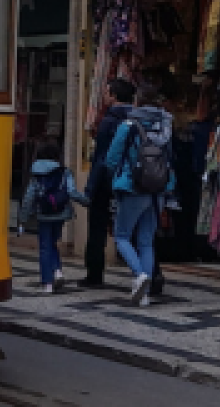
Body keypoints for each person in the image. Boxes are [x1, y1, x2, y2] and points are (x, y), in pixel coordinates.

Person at [105, 81, 174, 306]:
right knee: (146, 240)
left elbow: (112, 158)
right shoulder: (166, 124)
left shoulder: (128, 125)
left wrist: (115, 173)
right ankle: (144, 294)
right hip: (159, 189)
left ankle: (139, 275)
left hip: (132, 186)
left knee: (122, 235)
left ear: (137, 101)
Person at [79, 78, 136, 288]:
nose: (104, 95)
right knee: (136, 228)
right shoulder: (139, 118)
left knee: (97, 227)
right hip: (132, 179)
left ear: (114, 96)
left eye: (106, 92)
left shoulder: (110, 120)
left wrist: (91, 187)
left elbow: (101, 157)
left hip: (107, 180)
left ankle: (94, 273)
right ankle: (147, 273)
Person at [18, 140, 88, 293]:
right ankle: (57, 271)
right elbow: (71, 192)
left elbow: (29, 197)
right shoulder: (64, 171)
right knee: (53, 243)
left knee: (45, 247)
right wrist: (87, 201)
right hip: (61, 214)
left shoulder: (36, 174)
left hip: (43, 215)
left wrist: (23, 219)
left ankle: (47, 283)